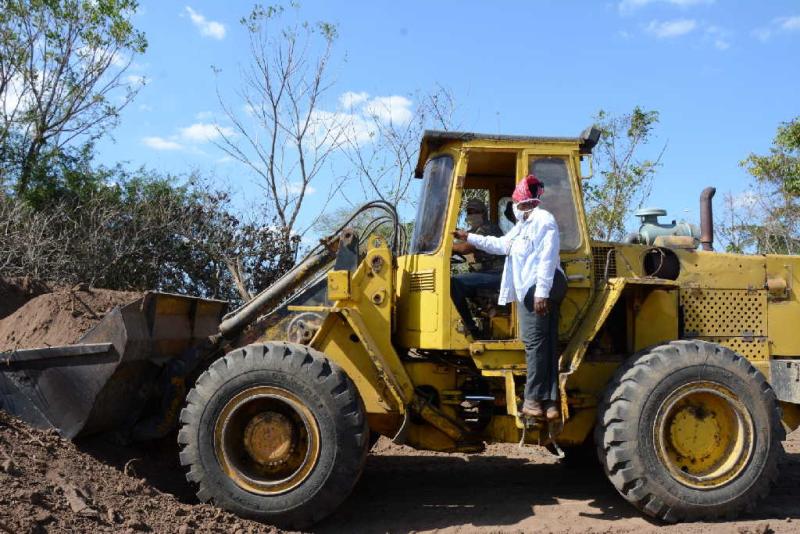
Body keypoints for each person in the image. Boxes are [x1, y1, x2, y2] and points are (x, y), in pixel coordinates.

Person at [452, 175, 567, 421]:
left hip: (541, 286)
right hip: (533, 287)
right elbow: (500, 245)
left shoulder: (544, 220)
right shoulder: (523, 226)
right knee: (545, 345)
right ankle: (550, 403)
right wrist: (468, 237)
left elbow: (548, 257)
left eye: (515, 202)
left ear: (523, 202)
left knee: (534, 344)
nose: (513, 206)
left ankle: (533, 400)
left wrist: (541, 292)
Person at [450, 199, 504, 338]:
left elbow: (464, 248)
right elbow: (459, 243)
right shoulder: (472, 231)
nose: (471, 215)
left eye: (475, 212)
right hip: (487, 273)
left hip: (498, 273)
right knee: (461, 287)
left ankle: (473, 330)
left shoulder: (487, 228)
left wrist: (446, 247)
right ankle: (485, 316)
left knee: (455, 283)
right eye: (469, 212)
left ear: (483, 213)